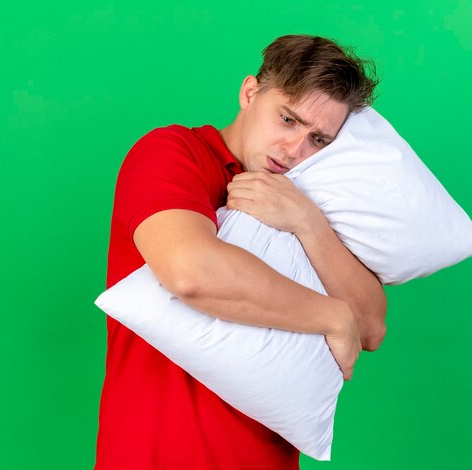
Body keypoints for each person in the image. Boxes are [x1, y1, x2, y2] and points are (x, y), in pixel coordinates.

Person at [95, 34, 388, 469]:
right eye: (288, 119)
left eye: (319, 140)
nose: (295, 150)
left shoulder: (309, 199)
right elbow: (189, 270)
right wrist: (332, 315)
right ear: (250, 92)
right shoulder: (174, 153)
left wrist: (308, 223)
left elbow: (370, 328)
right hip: (152, 456)